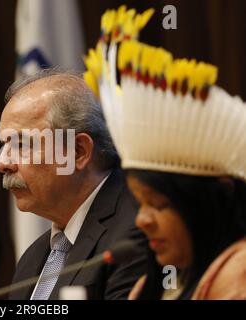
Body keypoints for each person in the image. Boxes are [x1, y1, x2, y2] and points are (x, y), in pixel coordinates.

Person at [83, 6, 246, 300]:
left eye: (158, 204)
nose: (142, 220)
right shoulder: (150, 286)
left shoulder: (239, 274)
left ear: (211, 204)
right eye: (140, 203)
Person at [0, 69, 148, 300]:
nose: (2, 163)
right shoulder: (32, 259)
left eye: (20, 145)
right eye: (4, 145)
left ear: (78, 151)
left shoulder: (136, 234)